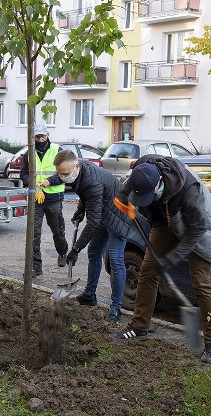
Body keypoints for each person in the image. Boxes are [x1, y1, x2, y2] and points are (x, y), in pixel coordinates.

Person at [113, 155, 211, 364]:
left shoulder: (190, 193)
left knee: (202, 282)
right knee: (148, 269)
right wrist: (122, 196)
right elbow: (129, 184)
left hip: (197, 227)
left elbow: (197, 230)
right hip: (165, 220)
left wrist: (171, 259)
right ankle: (139, 328)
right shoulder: (144, 167)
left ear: (159, 184)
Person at [44, 149, 131, 322]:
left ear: (76, 166)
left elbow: (93, 222)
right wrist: (80, 211)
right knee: (94, 253)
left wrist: (75, 249)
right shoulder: (79, 172)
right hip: (102, 211)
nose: (62, 178)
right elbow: (85, 194)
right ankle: (89, 295)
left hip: (119, 215)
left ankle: (116, 308)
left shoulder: (91, 181)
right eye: (59, 174)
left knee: (115, 259)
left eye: (65, 174)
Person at [20, 124, 68, 276]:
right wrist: (30, 181)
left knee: (58, 231)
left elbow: (65, 173)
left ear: (48, 135)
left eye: (43, 136)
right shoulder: (29, 152)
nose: (40, 139)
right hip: (36, 198)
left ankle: (62, 253)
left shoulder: (57, 150)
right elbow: (23, 174)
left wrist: (50, 181)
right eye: (37, 137)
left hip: (54, 198)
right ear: (33, 137)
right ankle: (36, 267)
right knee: (34, 233)